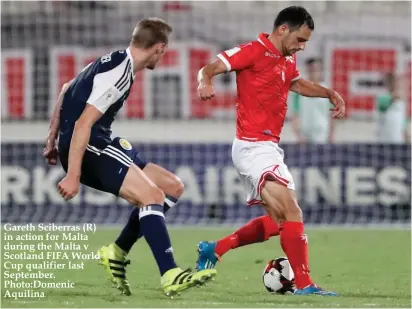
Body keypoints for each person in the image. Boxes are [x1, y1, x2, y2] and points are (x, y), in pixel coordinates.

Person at [43, 18, 216, 297]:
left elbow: (65, 89)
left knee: (172, 187)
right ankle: (170, 273)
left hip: (93, 142)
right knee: (152, 196)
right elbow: (83, 124)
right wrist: (73, 175)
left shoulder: (111, 60)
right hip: (90, 146)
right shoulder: (121, 72)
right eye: (165, 50)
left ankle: (117, 251)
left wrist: (51, 140)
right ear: (159, 48)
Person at [195, 6, 345, 296]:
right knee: (292, 211)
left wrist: (328, 92)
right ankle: (305, 284)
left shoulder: (287, 60)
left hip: (268, 148)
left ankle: (214, 249)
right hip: (252, 147)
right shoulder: (252, 51)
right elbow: (210, 67)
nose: (302, 46)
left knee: (280, 222)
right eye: (300, 39)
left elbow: (296, 84)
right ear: (282, 29)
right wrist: (205, 81)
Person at [290, 57, 334, 143]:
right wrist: (298, 135)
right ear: (308, 70)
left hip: (322, 135)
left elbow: (331, 115)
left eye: (317, 69)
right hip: (305, 135)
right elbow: (295, 114)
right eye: (312, 69)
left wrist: (331, 135)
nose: (315, 72)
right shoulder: (299, 90)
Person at [376, 72, 408, 144]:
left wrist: (406, 134)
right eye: (391, 82)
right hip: (384, 139)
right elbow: (383, 104)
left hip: (398, 140)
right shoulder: (382, 96)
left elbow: (403, 120)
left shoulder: (401, 101)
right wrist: (395, 96)